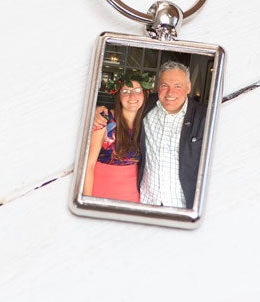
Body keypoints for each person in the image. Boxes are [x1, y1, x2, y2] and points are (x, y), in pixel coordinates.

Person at [138, 61, 204, 209]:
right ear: (157, 86)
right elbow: (121, 112)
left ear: (188, 87)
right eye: (164, 85)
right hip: (146, 201)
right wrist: (99, 112)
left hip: (182, 206)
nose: (170, 93)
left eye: (177, 86)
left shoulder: (204, 117)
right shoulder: (144, 107)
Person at [83, 78, 148, 201]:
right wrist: (86, 201)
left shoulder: (148, 121)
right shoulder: (104, 119)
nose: (132, 96)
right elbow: (88, 165)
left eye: (137, 90)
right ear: (118, 96)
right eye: (126, 91)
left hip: (131, 195)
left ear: (145, 94)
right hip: (100, 191)